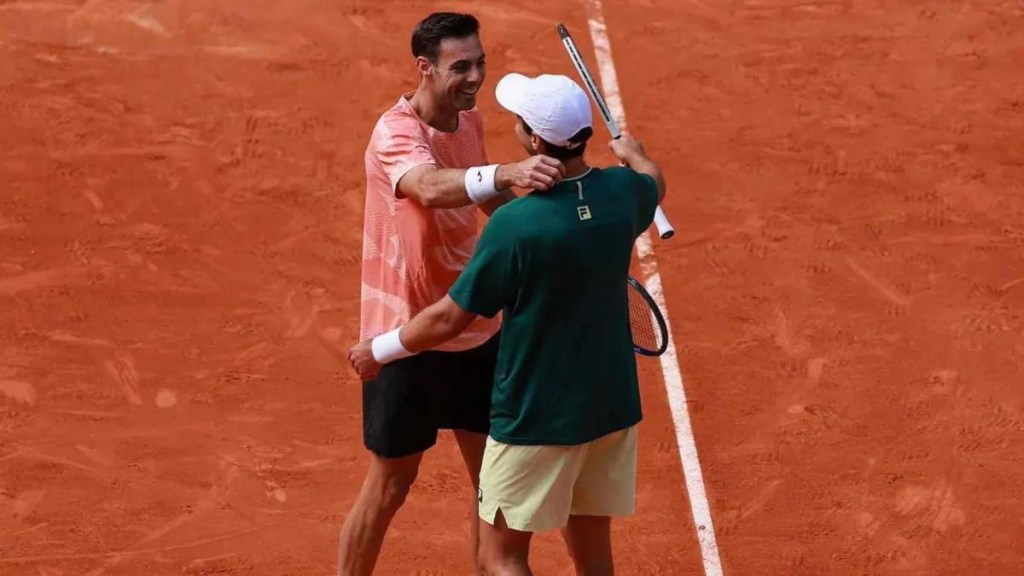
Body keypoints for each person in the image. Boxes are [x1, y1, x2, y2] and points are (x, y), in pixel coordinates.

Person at [347, 72, 667, 576]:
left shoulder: (516, 225)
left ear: (535, 141)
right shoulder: (625, 194)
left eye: (519, 122)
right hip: (611, 408)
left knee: (502, 557)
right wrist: (636, 154)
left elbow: (450, 318)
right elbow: (654, 181)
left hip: (535, 416)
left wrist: (379, 350)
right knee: (594, 555)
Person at [339, 12, 569, 576]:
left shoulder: (470, 121)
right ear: (425, 67)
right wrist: (509, 172)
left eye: (480, 63)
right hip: (407, 333)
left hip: (476, 323)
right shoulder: (395, 133)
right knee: (393, 482)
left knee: (493, 485)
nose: (474, 77)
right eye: (460, 66)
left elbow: (488, 203)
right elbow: (429, 187)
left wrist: (556, 240)